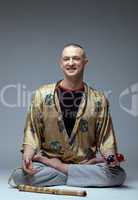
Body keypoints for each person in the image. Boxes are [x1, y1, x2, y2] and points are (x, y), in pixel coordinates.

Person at [9, 43, 126, 187]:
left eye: (76, 58)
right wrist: (27, 157)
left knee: (117, 175)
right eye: (66, 59)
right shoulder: (42, 94)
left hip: (80, 163)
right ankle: (78, 177)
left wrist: (110, 158)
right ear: (60, 63)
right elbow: (32, 132)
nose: (71, 63)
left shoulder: (98, 99)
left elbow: (106, 138)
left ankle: (62, 170)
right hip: (54, 163)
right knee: (20, 176)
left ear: (85, 62)